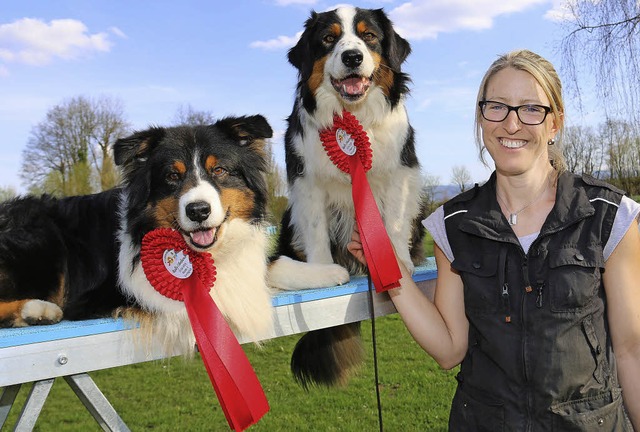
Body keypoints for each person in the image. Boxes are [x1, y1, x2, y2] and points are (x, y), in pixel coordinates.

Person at [348, 49, 640, 430]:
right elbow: (450, 349)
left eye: (531, 109)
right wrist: (390, 269)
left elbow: (632, 349)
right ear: (481, 118)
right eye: (497, 107)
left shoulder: (607, 216)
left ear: (554, 124)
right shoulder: (454, 226)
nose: (512, 124)